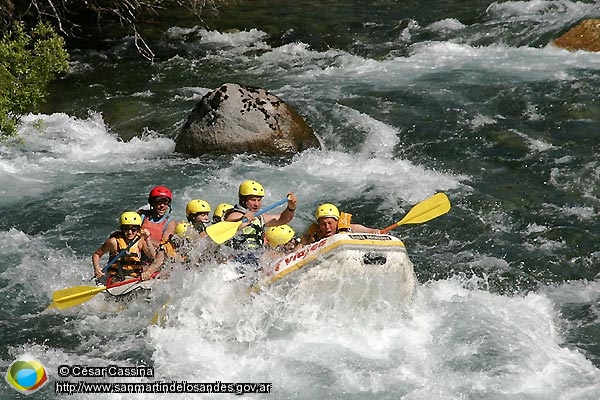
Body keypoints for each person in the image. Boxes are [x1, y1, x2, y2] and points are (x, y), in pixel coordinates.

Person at [224, 180, 297, 250]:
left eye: (259, 200)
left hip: (256, 257)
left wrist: (291, 207)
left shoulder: (259, 217)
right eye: (253, 200)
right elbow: (229, 222)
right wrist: (243, 219)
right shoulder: (235, 214)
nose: (256, 204)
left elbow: (283, 219)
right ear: (243, 200)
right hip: (236, 258)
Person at [92, 211, 158, 283]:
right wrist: (97, 268)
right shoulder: (114, 242)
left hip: (134, 278)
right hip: (116, 279)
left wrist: (147, 239)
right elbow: (97, 254)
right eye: (126, 228)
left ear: (138, 229)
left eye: (133, 229)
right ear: (121, 229)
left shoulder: (140, 241)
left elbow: (153, 257)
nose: (130, 232)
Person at [299, 203, 380, 245]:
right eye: (323, 224)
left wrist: (374, 231)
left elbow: (370, 231)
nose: (327, 227)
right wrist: (302, 243)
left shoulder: (350, 228)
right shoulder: (313, 236)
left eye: (329, 223)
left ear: (337, 222)